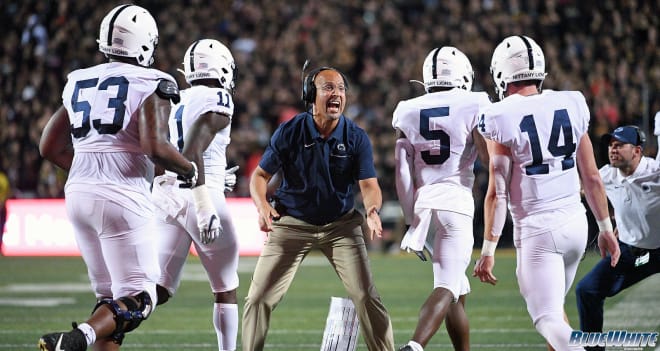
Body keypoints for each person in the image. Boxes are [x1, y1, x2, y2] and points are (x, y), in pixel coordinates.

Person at [37, 5, 199, 351]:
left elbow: (48, 146)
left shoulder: (80, 79)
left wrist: (88, 168)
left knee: (112, 301)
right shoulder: (154, 80)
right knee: (140, 297)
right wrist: (189, 169)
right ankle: (77, 339)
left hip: (78, 193)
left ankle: (84, 336)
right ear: (144, 43)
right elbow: (155, 146)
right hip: (122, 195)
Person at [472, 35, 621, 350]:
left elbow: (497, 193)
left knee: (546, 318)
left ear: (501, 73)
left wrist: (487, 249)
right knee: (558, 314)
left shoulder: (499, 115)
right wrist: (605, 228)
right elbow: (592, 176)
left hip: (539, 230)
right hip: (577, 225)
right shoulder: (571, 101)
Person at [242, 65, 395, 351]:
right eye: (328, 87)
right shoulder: (290, 131)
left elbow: (369, 185)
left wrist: (372, 211)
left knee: (365, 296)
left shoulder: (356, 136)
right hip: (291, 223)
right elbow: (259, 177)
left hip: (340, 226)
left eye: (340, 88)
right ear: (311, 95)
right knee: (258, 298)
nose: (336, 93)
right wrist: (262, 206)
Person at [393, 46, 490, 351]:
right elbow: (488, 159)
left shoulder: (407, 108)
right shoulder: (475, 101)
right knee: (447, 285)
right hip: (455, 203)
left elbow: (402, 170)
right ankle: (414, 346)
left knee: (457, 290)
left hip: (424, 207)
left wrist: (411, 220)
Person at [151, 38, 240, 351]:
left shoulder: (177, 97)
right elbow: (193, 149)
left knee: (155, 290)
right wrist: (205, 203)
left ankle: (96, 329)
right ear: (223, 67)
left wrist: (216, 170)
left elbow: (165, 151)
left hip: (167, 195)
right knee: (226, 288)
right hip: (201, 194)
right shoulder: (219, 96)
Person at [575, 125, 660, 351]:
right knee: (587, 290)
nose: (613, 149)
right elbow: (583, 190)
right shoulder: (605, 175)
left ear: (637, 151)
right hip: (632, 250)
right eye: (611, 145)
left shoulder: (656, 171)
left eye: (620, 145)